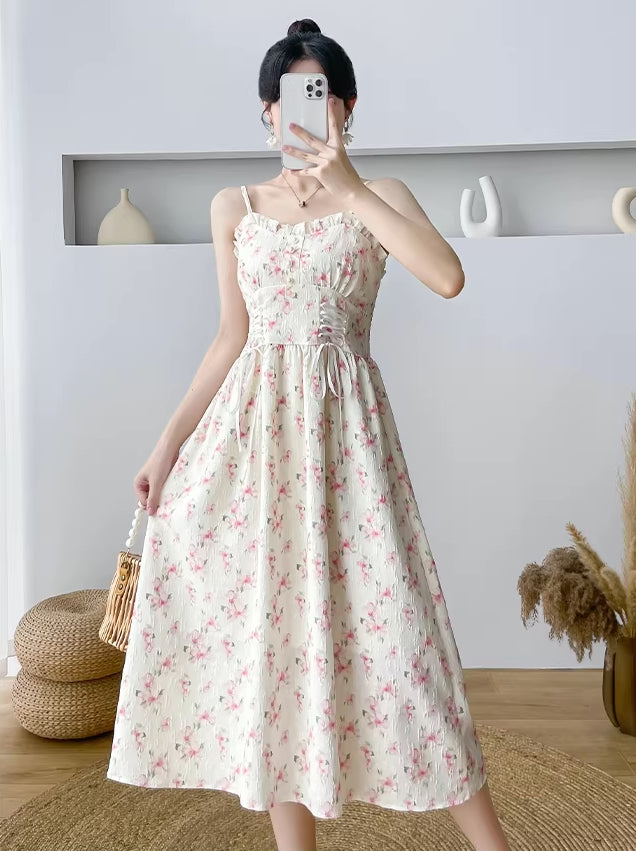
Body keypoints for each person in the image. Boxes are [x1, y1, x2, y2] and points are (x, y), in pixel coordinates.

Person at [106, 17, 513, 851]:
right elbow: (230, 338)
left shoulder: (382, 195)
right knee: (275, 656)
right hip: (253, 455)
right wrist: (166, 445)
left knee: (407, 651)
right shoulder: (235, 207)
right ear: (266, 112)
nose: (301, 110)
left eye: (318, 94)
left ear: (346, 106)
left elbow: (448, 276)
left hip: (349, 454)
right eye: (286, 97)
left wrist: (351, 187)